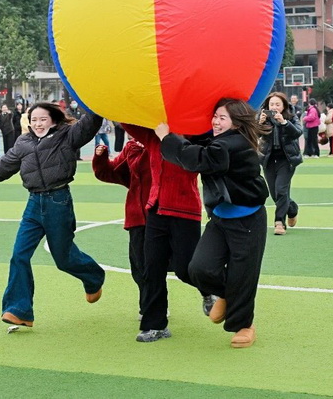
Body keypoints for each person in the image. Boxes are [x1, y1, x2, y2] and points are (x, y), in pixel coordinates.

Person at [0, 103, 105, 330]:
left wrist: (96, 103)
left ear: (53, 120)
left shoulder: (67, 136)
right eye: (34, 120)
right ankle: (18, 310)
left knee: (63, 258)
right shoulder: (23, 142)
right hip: (33, 204)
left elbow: (89, 124)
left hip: (58, 202)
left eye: (43, 119)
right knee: (19, 255)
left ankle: (93, 277)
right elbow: (4, 166)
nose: (38, 124)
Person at [157, 98, 269, 349]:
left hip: (248, 220)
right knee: (199, 268)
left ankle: (244, 325)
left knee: (243, 275)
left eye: (222, 118)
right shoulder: (221, 141)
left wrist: (167, 138)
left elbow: (199, 158)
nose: (216, 122)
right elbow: (201, 144)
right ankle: (228, 295)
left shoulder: (233, 144)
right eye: (215, 116)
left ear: (236, 123)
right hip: (220, 219)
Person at [122, 122, 214, 343]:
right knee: (152, 268)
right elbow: (126, 121)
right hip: (155, 210)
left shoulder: (195, 137)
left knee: (186, 268)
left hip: (185, 210)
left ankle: (211, 291)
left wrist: (168, 136)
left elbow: (197, 159)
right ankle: (155, 325)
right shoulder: (152, 135)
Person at [92, 138, 151, 319]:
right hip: (137, 217)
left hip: (162, 214)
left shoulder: (165, 143)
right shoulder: (131, 147)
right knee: (139, 266)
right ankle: (150, 306)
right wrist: (101, 158)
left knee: (175, 263)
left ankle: (209, 292)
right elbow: (110, 172)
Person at [260, 92, 302, 236]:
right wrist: (259, 123)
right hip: (269, 159)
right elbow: (254, 134)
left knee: (281, 190)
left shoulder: (291, 116)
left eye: (277, 104)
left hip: (287, 159)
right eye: (271, 104)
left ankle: (279, 222)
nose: (274, 107)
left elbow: (297, 132)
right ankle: (292, 209)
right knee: (275, 194)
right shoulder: (263, 118)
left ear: (284, 106)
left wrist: (284, 122)